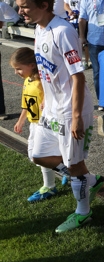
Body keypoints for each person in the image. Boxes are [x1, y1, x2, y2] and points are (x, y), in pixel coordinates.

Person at [16, 0, 104, 233]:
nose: (21, 11)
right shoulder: (40, 29)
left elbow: (78, 76)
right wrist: (45, 97)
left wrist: (76, 116)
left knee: (74, 164)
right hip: (51, 108)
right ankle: (88, 180)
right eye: (20, 7)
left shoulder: (63, 31)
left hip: (69, 110)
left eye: (25, 7)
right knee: (37, 155)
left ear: (44, 5)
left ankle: (83, 212)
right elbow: (47, 68)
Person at [11, 47, 69, 202]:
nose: (17, 72)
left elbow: (56, 93)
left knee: (41, 154)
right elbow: (26, 103)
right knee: (34, 154)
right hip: (34, 123)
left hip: (47, 124)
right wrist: (21, 120)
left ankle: (50, 186)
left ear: (31, 65)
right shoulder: (27, 80)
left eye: (18, 69)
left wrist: (46, 100)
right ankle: (67, 171)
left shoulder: (42, 80)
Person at [63, 0, 90, 68]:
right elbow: (65, 4)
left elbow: (87, 9)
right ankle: (75, 60)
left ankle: (86, 61)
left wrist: (78, 15)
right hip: (71, 21)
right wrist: (70, 11)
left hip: (81, 21)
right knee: (71, 41)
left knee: (84, 41)